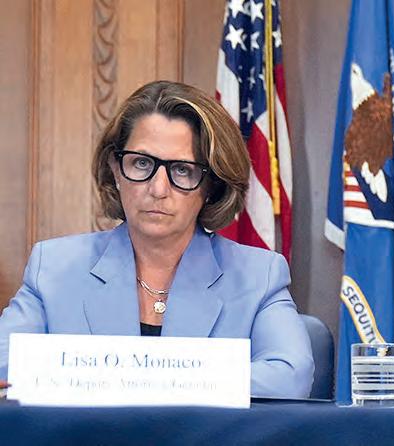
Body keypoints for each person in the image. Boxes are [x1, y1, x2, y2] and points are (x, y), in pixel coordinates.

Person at [0, 81, 314, 398]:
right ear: (116, 169)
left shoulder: (258, 276)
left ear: (211, 185)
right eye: (141, 163)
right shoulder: (54, 268)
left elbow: (291, 377)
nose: (158, 189)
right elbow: (4, 367)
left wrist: (135, 381)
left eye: (182, 170)